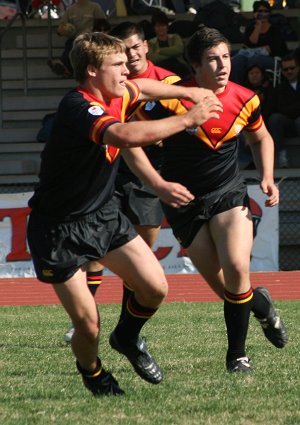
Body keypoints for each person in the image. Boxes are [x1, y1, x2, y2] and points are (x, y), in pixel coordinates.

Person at [27, 31, 223, 396]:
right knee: (87, 326)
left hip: (102, 215)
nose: (125, 70)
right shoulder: (78, 106)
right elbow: (123, 136)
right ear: (90, 71)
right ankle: (93, 372)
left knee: (154, 289)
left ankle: (127, 338)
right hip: (57, 229)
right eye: (116, 65)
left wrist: (187, 91)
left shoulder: (117, 94)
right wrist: (188, 117)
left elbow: (145, 88)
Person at [136, 25, 288, 372]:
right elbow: (134, 127)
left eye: (226, 57)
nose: (222, 66)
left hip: (228, 194)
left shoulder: (246, 98)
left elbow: (261, 137)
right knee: (227, 289)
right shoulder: (174, 96)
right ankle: (261, 307)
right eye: (212, 60)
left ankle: (237, 355)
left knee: (237, 268)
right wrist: (157, 181)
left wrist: (266, 176)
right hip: (183, 203)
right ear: (195, 67)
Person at [62, 21, 182, 343]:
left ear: (146, 46)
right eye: (120, 55)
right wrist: (185, 119)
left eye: (132, 49)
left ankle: (126, 324)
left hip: (146, 176)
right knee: (95, 254)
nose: (129, 59)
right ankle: (89, 325)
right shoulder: (89, 99)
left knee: (144, 256)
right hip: (111, 174)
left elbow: (148, 96)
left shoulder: (165, 82)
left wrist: (189, 101)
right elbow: (123, 134)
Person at [230, 0, 288, 85]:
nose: (263, 14)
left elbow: (274, 48)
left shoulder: (275, 28)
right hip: (250, 57)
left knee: (254, 59)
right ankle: (237, 87)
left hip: (272, 59)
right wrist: (258, 26)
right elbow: (248, 44)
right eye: (260, 11)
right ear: (255, 13)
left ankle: (256, 87)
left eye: (266, 11)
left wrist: (256, 49)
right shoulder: (250, 27)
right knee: (237, 60)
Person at [47, 0, 106, 78]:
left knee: (75, 47)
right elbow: (61, 27)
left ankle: (65, 66)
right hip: (75, 38)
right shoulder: (70, 10)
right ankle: (65, 67)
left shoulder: (94, 7)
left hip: (91, 38)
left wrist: (96, 33)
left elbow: (103, 25)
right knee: (70, 45)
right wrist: (63, 30)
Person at [265, 52, 300, 168]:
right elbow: (278, 109)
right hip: (288, 124)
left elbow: (284, 109)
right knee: (275, 118)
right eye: (285, 69)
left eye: (292, 68)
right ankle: (282, 156)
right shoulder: (279, 88)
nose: (289, 71)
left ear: (298, 68)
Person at [147, 10, 190, 78]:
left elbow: (178, 49)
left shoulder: (175, 37)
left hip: (179, 68)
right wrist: (171, 56)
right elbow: (153, 58)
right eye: (158, 26)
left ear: (167, 26)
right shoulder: (151, 42)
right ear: (154, 28)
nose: (160, 28)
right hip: (161, 71)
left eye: (163, 25)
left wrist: (160, 51)